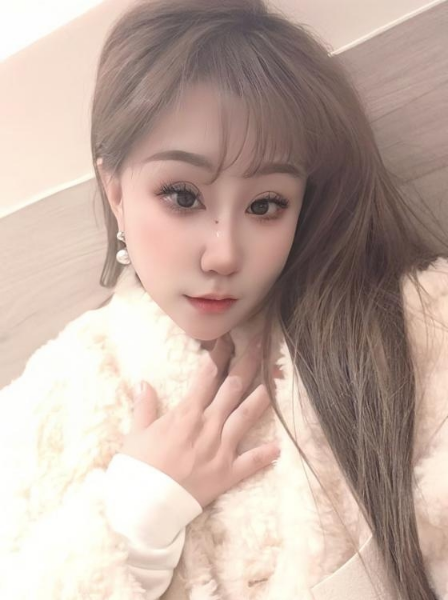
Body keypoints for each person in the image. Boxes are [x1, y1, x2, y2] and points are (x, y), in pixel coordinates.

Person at [1, 0, 447, 598]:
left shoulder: (418, 334)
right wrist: (136, 518)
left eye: (265, 204)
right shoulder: (43, 414)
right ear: (116, 193)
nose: (224, 254)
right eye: (183, 196)